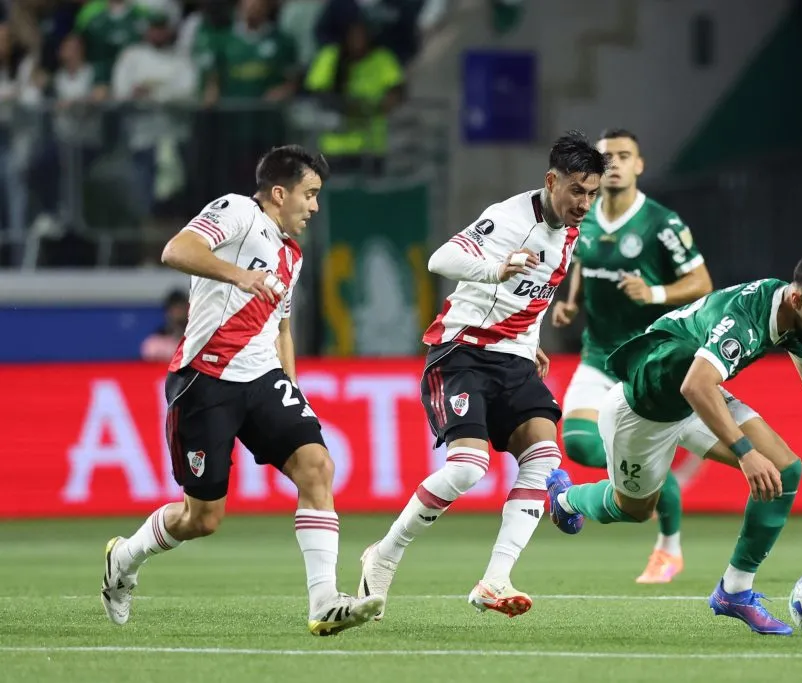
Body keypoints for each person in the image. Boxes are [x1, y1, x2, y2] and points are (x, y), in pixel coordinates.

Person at [100, 145, 384, 637]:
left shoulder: (291, 255)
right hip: (204, 380)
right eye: (310, 194)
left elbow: (282, 328)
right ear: (280, 192)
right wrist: (241, 275)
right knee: (202, 518)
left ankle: (324, 602)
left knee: (317, 466)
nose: (315, 206)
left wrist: (292, 387)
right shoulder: (237, 210)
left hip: (261, 378)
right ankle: (124, 559)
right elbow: (176, 251)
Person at [546, 250, 802, 636]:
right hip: (645, 409)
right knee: (633, 510)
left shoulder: (793, 316)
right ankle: (565, 498)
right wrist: (744, 453)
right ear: (797, 299)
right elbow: (695, 384)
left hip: (695, 397)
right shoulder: (744, 321)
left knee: (785, 469)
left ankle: (735, 591)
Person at [357, 131, 606, 619]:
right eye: (577, 189)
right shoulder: (508, 218)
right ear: (551, 181)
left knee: (542, 454)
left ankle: (495, 580)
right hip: (462, 351)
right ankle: (384, 554)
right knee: (469, 468)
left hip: (512, 357)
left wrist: (530, 344)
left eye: (593, 192)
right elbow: (440, 260)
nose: (584, 202)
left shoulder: (571, 234)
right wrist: (497, 268)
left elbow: (540, 294)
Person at [551, 128, 712, 584]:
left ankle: (669, 547)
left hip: (649, 360)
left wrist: (654, 291)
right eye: (609, 157)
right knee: (579, 443)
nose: (616, 163)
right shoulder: (583, 213)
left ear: (639, 165)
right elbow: (582, 258)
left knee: (637, 454)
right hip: (599, 353)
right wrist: (572, 300)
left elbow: (703, 282)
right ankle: (648, 466)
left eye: (626, 156)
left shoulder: (662, 223)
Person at [140, 288, 189, 362]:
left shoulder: (194, 340)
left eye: (182, 308)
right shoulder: (153, 343)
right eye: (175, 308)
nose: (179, 312)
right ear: (167, 312)